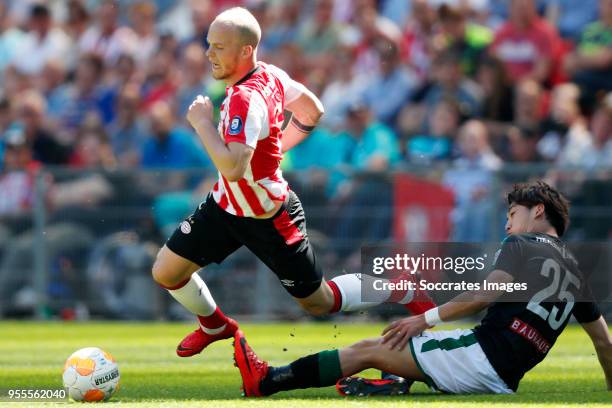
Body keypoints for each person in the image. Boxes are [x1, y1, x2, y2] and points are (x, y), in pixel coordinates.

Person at [150, 7, 434, 359]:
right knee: (166, 270)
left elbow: (235, 167)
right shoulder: (270, 75)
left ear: (245, 51)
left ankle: (399, 290)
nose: (209, 54)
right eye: (209, 44)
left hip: (269, 215)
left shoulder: (243, 99)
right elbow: (312, 109)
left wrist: (202, 124)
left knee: (320, 301)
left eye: (219, 47)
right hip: (226, 206)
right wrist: (274, 148)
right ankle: (215, 325)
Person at [233, 181, 612, 397]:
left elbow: (486, 294)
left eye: (512, 214)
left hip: (483, 359)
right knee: (413, 345)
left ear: (539, 211)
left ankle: (267, 380)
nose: (508, 225)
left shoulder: (523, 245)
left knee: (373, 347)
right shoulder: (577, 272)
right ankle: (396, 383)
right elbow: (605, 345)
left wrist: (424, 319)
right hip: (499, 366)